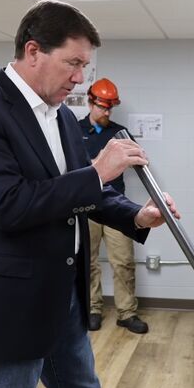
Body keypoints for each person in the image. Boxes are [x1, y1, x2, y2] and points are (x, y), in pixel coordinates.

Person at [0, 0, 177, 388]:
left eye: (84, 66)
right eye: (73, 63)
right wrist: (97, 171)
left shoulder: (63, 117)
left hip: (64, 295)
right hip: (11, 303)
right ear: (33, 51)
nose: (80, 78)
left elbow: (85, 193)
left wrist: (138, 216)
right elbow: (9, 205)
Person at [78, 78, 148, 334]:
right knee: (88, 261)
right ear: (90, 102)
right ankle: (93, 309)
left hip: (116, 206)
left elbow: (138, 162)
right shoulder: (74, 130)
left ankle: (127, 313)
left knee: (123, 261)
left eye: (110, 108)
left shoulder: (120, 134)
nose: (107, 113)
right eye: (102, 107)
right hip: (86, 206)